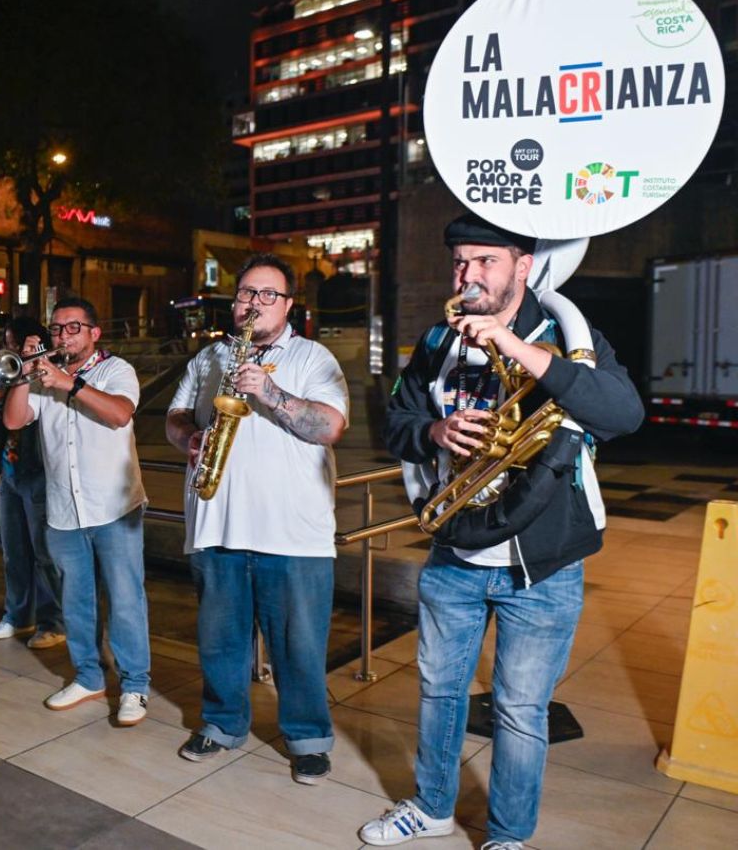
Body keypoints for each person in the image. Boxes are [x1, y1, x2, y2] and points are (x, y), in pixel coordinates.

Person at [357, 214, 644, 849]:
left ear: (523, 266)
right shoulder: (438, 338)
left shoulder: (566, 333)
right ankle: (432, 808)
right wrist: (435, 431)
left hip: (542, 563)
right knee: (439, 691)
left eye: (486, 261)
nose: (469, 275)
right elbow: (398, 423)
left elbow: (623, 413)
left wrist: (514, 348)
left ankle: (509, 835)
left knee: (519, 708)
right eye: (461, 261)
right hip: (455, 550)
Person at [165, 253, 349, 784]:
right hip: (216, 522)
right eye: (247, 292)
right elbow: (176, 416)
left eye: (269, 294)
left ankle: (307, 738)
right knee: (220, 641)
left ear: (288, 305)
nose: (255, 302)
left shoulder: (313, 357)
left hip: (293, 533)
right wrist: (189, 437)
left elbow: (330, 427)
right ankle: (222, 724)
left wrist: (268, 392)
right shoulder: (209, 358)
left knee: (299, 645)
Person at [2, 298, 151, 724]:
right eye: (56, 329)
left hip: (115, 507)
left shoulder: (116, 370)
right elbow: (13, 421)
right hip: (64, 509)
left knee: (125, 599)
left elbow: (120, 414)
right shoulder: (43, 375)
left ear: (94, 333)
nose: (63, 335)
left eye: (73, 328)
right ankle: (88, 676)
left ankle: (135, 685)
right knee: (76, 602)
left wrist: (67, 383)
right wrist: (24, 371)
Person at [0, 318, 64, 649]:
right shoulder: (9, 375)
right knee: (12, 550)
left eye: (16, 344)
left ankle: (52, 622)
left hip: (38, 471)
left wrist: (33, 365)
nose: (11, 350)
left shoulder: (49, 376)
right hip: (10, 471)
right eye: (9, 344)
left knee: (44, 552)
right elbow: (6, 426)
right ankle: (18, 615)